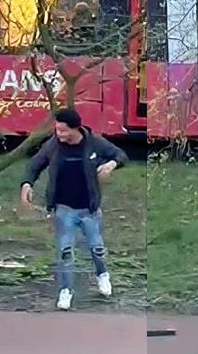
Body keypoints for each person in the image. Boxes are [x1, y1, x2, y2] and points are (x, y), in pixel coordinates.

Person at [20, 108, 129, 311]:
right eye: (57, 130)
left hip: (89, 209)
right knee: (65, 252)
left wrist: (112, 164)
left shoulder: (94, 143)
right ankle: (66, 291)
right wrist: (27, 184)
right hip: (64, 209)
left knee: (97, 249)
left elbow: (120, 155)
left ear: (75, 129)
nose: (59, 134)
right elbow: (35, 164)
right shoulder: (53, 145)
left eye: (63, 130)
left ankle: (102, 274)